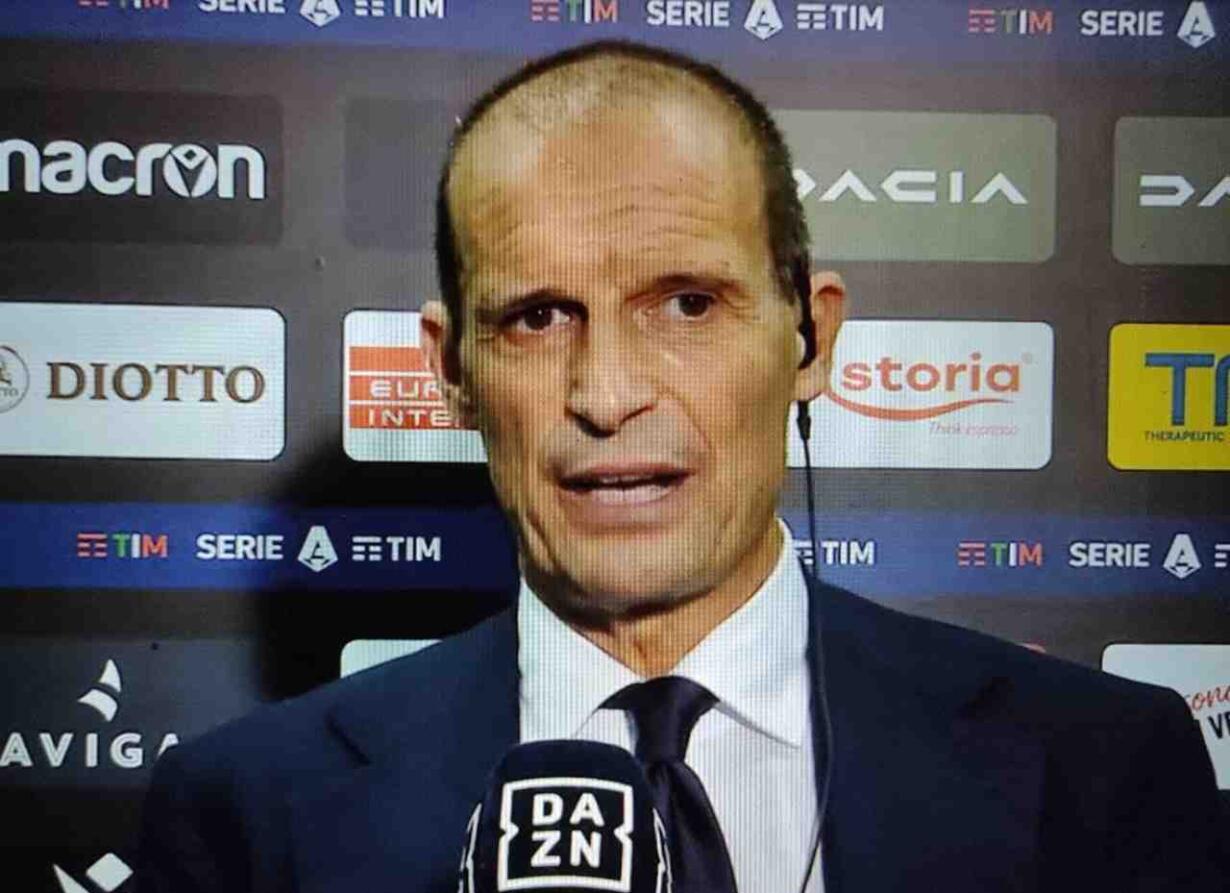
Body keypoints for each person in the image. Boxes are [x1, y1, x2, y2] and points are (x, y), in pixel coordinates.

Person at [137, 40, 1226, 893]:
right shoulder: (247, 814)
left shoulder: (1104, 767)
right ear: (454, 370)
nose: (607, 394)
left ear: (809, 336)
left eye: (688, 304)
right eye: (537, 316)